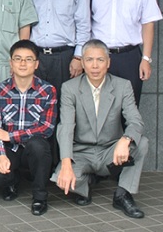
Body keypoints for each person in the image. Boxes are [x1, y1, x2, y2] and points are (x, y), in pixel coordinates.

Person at [52, 39, 148, 219]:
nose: (95, 66)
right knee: (61, 179)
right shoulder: (70, 88)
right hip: (81, 152)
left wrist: (125, 139)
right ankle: (87, 182)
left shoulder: (122, 86)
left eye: (100, 60)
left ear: (108, 62)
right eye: (89, 60)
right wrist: (65, 164)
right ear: (82, 62)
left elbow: (136, 121)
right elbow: (66, 127)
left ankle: (123, 194)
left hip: (110, 151)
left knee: (141, 142)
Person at [90, 0, 162, 106]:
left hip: (129, 57)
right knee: (98, 109)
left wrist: (146, 58)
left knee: (129, 108)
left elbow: (148, 23)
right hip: (98, 57)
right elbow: (84, 24)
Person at [0, 40, 56, 216]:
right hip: (11, 149)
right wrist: (1, 156)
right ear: (11, 63)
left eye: (28, 59)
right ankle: (12, 181)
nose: (23, 63)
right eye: (18, 59)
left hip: (34, 149)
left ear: (36, 64)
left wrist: (11, 135)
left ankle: (40, 196)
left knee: (38, 146)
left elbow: (46, 128)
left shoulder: (48, 90)